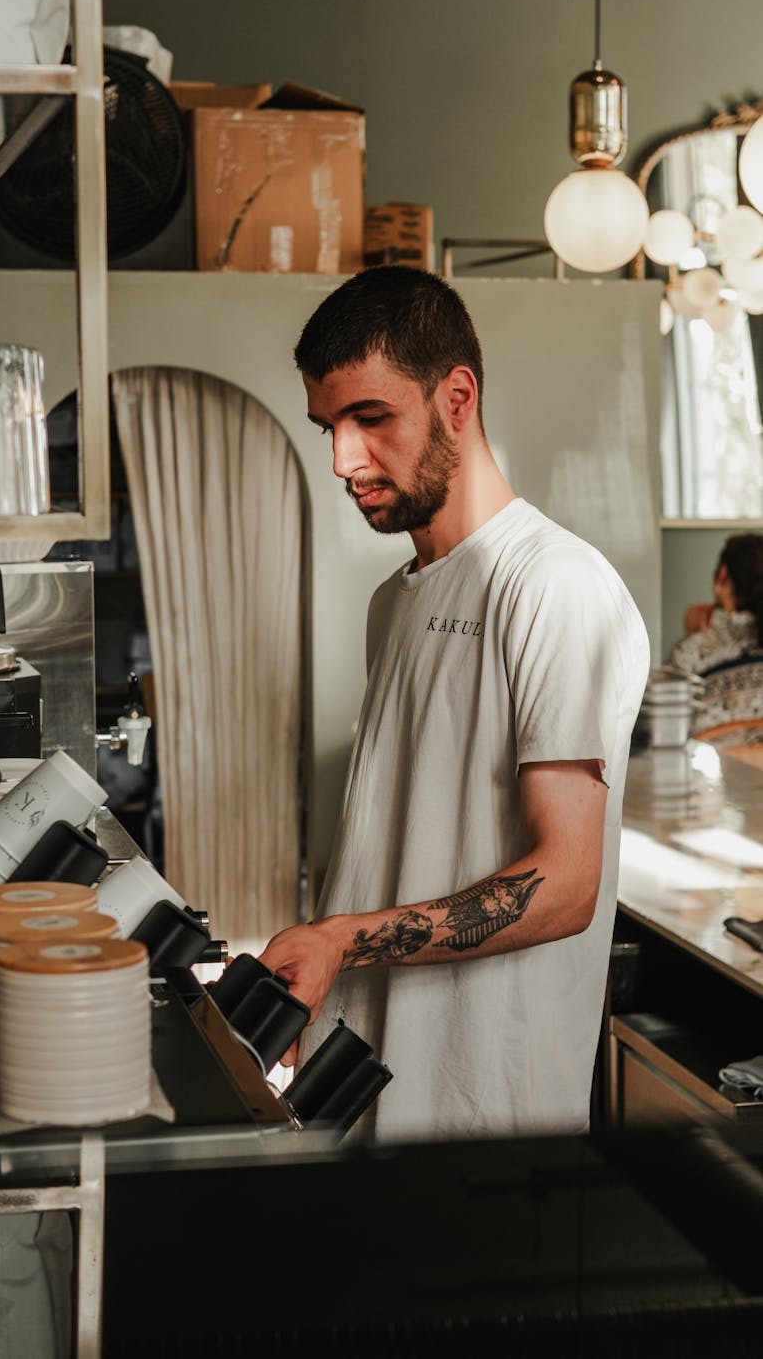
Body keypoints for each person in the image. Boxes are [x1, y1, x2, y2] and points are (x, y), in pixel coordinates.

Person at [258, 266, 650, 1142]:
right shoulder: (394, 601)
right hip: (364, 1084)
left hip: (483, 1115)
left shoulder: (552, 584)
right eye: (330, 427)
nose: (342, 460)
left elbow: (566, 883)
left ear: (457, 398)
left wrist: (343, 941)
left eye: (371, 418)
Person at [669, 533, 763, 737]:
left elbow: (668, 728)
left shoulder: (693, 651)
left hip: (721, 767)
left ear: (722, 575)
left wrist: (692, 639)